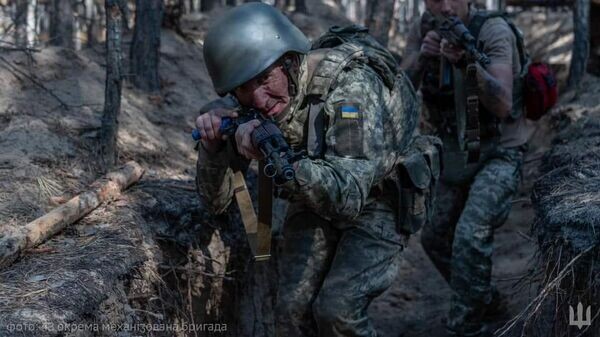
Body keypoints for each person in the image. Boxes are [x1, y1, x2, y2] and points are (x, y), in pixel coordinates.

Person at [195, 3, 421, 336]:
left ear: (289, 60)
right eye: (244, 87)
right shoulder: (247, 105)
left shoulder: (350, 90)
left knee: (337, 311)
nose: (259, 99)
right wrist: (213, 149)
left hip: (380, 195)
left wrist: (274, 160)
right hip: (314, 192)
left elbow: (349, 197)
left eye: (264, 78)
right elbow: (215, 204)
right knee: (290, 311)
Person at [400, 0, 532, 336]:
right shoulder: (422, 27)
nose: (444, 6)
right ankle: (484, 300)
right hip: (457, 153)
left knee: (470, 234)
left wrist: (469, 62)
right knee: (434, 237)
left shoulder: (493, 31)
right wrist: (423, 57)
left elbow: (502, 104)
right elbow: (401, 91)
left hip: (501, 150)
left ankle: (466, 325)